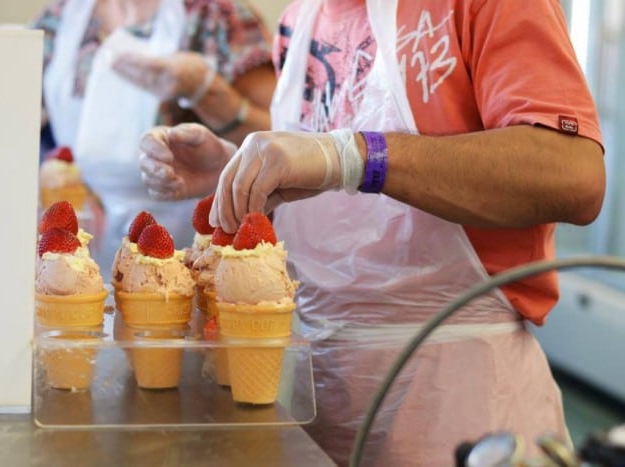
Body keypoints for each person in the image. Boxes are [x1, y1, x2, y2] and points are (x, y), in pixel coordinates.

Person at [138, 0, 605, 465]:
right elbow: (342, 202)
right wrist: (243, 174)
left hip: (459, 405)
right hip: (321, 398)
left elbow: (574, 177)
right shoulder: (300, 19)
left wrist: (358, 156)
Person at [34, 0, 275, 274]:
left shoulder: (218, 16)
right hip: (79, 252)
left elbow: (278, 139)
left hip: (193, 253)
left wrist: (204, 91)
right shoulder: (61, 17)